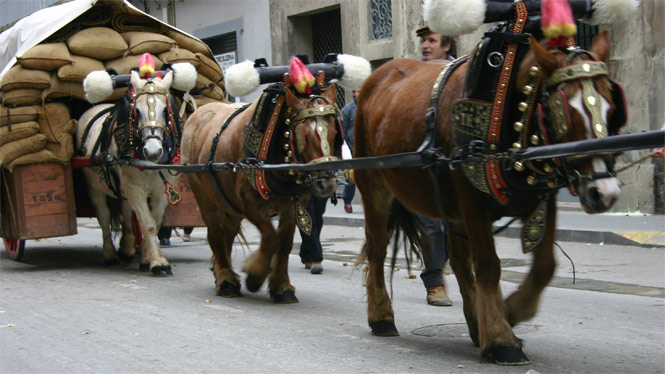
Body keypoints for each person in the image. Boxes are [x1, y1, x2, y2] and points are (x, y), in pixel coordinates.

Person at [415, 25, 454, 307]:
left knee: (456, 226)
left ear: (447, 46)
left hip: (455, 164)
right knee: (430, 226)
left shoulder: (460, 73)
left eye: (432, 41)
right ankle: (434, 282)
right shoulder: (416, 76)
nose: (425, 45)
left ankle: (448, 265)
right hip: (423, 165)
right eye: (424, 41)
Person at [298, 195, 327, 274]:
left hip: (320, 185)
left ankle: (306, 253)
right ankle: (315, 258)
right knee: (306, 216)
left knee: (317, 217)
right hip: (301, 185)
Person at [341, 89, 359, 213]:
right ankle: (347, 201)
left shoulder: (368, 106)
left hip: (366, 148)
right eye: (358, 91)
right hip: (351, 148)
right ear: (353, 93)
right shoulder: (347, 110)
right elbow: (342, 130)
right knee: (351, 177)